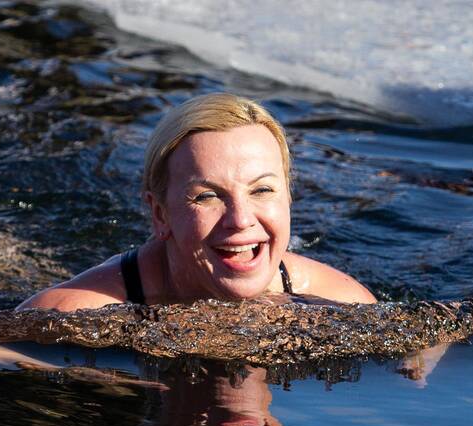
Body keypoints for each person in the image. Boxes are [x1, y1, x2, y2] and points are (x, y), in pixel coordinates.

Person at [19, 93, 376, 311]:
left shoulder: (340, 300)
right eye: (207, 196)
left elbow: (422, 354)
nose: (240, 219)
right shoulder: (81, 309)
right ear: (160, 215)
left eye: (262, 190)